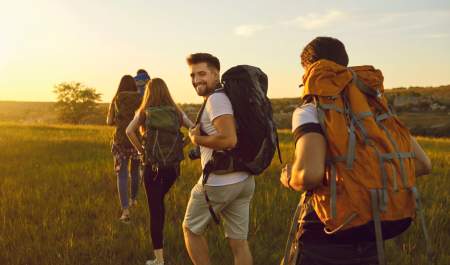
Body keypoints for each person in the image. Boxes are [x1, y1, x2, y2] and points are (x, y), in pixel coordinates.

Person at [279, 36, 432, 265]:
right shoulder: (377, 111)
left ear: (310, 71)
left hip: (325, 235)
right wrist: (368, 180)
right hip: (373, 233)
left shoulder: (310, 109)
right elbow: (423, 164)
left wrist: (289, 177)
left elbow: (310, 175)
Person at [183, 53, 255, 265]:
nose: (196, 80)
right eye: (193, 75)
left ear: (216, 74)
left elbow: (229, 139)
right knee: (239, 243)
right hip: (243, 180)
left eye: (202, 74)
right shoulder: (227, 97)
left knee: (190, 229)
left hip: (218, 182)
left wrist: (196, 138)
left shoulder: (216, 100)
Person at [126, 78, 193, 265]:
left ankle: (159, 260)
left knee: (155, 211)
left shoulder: (144, 112)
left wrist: (142, 151)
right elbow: (194, 129)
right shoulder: (176, 111)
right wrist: (182, 145)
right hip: (172, 168)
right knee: (159, 201)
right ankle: (160, 258)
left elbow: (129, 131)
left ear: (149, 92)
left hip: (152, 168)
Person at [106, 75, 142, 223]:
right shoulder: (140, 98)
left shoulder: (116, 99)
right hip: (135, 140)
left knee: (121, 175)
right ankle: (133, 199)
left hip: (120, 140)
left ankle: (125, 211)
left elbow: (109, 122)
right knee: (135, 172)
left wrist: (118, 121)